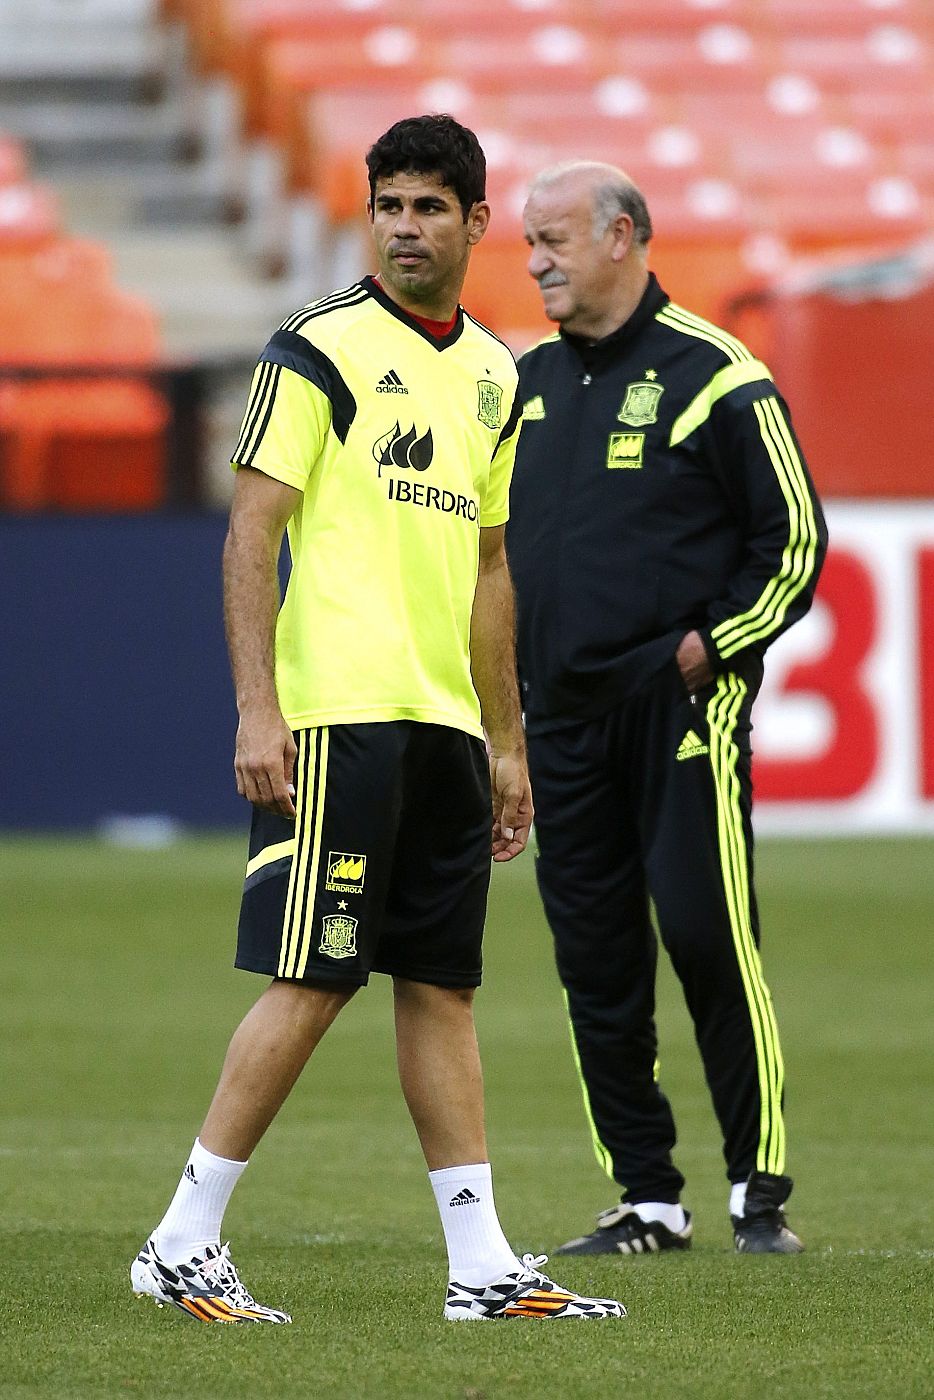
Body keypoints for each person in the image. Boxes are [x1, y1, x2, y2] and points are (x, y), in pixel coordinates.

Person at [130, 119, 624, 1325]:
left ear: (474, 222)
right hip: (338, 714)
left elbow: (491, 567)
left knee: (440, 987)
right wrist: (262, 704)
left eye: (427, 207)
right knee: (314, 976)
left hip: (444, 727)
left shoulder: (496, 377)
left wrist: (503, 739)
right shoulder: (317, 347)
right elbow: (252, 530)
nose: (404, 226)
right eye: (387, 204)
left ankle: (478, 1266)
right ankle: (181, 1237)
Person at [507, 161, 827, 1258]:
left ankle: (759, 1189)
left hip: (673, 709)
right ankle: (645, 1193)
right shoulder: (528, 384)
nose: (536, 260)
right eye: (527, 243)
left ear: (623, 236)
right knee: (592, 959)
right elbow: (497, 557)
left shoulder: (719, 376)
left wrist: (708, 650)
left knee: (703, 932)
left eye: (553, 238)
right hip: (560, 717)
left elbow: (792, 543)